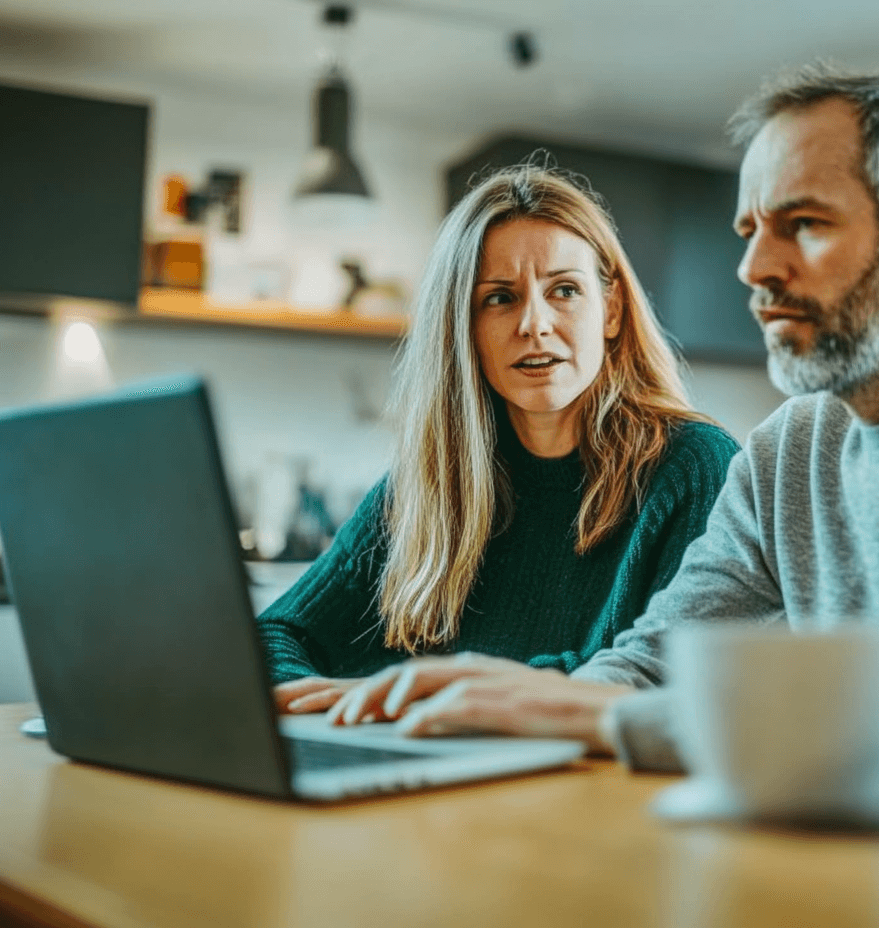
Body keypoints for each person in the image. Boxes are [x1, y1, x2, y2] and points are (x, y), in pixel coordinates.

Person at [333, 68, 879, 774]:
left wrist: (638, 720)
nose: (754, 266)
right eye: (751, 228)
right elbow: (650, 665)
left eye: (802, 224)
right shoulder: (791, 450)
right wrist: (512, 719)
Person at [260, 164, 740, 718]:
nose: (534, 324)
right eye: (500, 298)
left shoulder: (694, 465)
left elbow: (657, 681)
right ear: (463, 327)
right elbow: (274, 637)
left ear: (610, 309)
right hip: (437, 779)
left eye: (564, 290)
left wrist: (417, 694)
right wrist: (327, 700)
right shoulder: (427, 485)